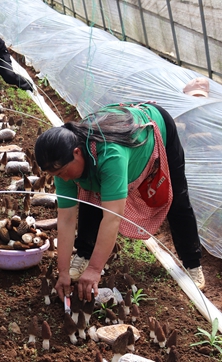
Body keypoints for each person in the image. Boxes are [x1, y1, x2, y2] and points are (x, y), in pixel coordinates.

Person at [34, 102, 205, 301]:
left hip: (156, 127)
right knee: (90, 197)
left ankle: (193, 263)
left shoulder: (110, 155)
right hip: (110, 138)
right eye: (57, 175)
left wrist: (95, 271)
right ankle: (84, 253)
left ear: (77, 153)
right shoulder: (62, 162)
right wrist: (62, 271)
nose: (63, 179)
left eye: (63, 173)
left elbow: (112, 218)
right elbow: (66, 218)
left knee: (177, 199)